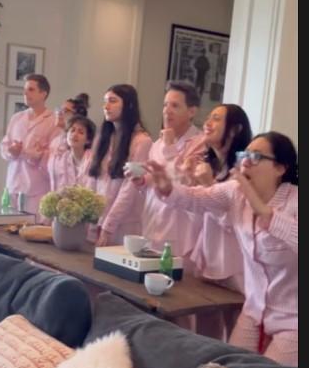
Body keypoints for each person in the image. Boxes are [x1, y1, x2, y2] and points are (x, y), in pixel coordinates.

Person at [144, 131, 298, 366]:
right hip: (254, 310)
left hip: (293, 319)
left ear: (280, 168)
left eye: (256, 156)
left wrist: (258, 204)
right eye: (244, 155)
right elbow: (196, 198)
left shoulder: (294, 201)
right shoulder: (235, 192)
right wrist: (167, 188)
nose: (246, 162)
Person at [187, 104, 253, 339]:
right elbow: (196, 214)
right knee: (206, 324)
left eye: (216, 118)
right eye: (208, 117)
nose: (207, 123)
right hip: (209, 254)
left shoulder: (245, 168)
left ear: (235, 129)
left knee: (236, 329)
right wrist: (191, 180)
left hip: (235, 263)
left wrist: (209, 185)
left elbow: (237, 223)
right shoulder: (211, 165)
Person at [129, 80, 205, 264]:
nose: (167, 111)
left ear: (191, 111)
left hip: (180, 230)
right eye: (165, 105)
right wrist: (142, 182)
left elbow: (184, 183)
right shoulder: (157, 144)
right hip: (152, 223)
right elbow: (155, 182)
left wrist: (170, 146)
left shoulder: (201, 143)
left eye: (175, 106)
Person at [87, 84, 152, 247]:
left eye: (113, 101)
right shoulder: (104, 138)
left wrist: (109, 225)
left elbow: (129, 189)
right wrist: (87, 213)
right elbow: (93, 180)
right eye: (105, 101)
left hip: (123, 224)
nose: (106, 106)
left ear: (128, 105)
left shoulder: (142, 141)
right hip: (97, 219)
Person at [0, 74, 60, 215]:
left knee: (31, 225)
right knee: (7, 224)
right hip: (13, 185)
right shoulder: (17, 118)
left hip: (36, 189)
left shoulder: (53, 121)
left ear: (43, 94)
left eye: (31, 90)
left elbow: (54, 157)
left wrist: (27, 153)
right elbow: (4, 146)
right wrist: (11, 151)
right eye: (25, 90)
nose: (26, 93)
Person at [46, 114, 96, 192]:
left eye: (81, 132)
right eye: (72, 130)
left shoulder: (93, 160)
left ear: (88, 140)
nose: (75, 134)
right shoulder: (62, 159)